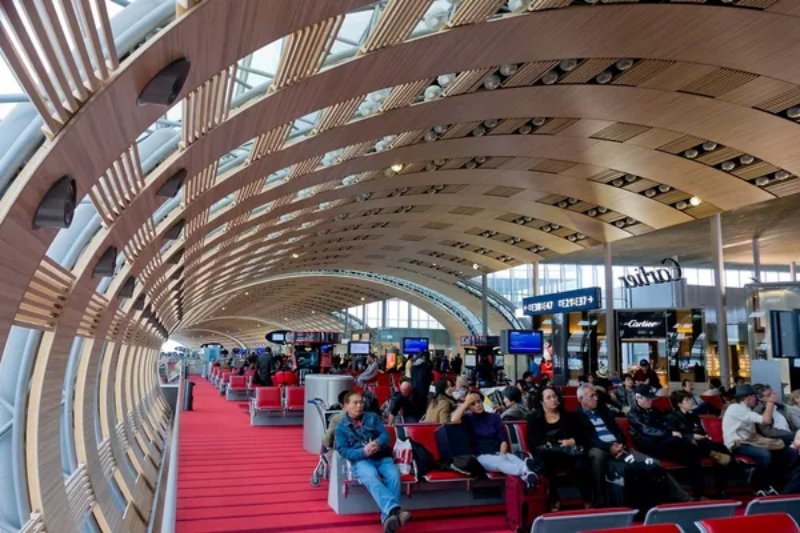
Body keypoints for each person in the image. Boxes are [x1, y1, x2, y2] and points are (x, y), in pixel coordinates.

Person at [574, 384, 691, 508]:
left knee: (653, 464)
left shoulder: (604, 411)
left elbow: (617, 431)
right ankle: (597, 499)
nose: (596, 398)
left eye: (596, 395)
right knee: (596, 456)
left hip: (618, 446)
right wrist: (608, 448)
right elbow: (586, 439)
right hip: (600, 448)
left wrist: (620, 445)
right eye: (591, 396)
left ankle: (683, 498)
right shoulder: (576, 416)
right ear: (580, 399)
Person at [334, 391, 411, 532]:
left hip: (381, 457)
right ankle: (396, 512)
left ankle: (387, 519)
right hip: (362, 460)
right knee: (370, 475)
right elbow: (343, 451)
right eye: (355, 403)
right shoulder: (340, 428)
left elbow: (385, 435)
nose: (360, 405)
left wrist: (377, 443)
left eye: (361, 402)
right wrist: (363, 451)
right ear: (345, 406)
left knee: (394, 475)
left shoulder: (372, 417)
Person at [627, 384, 707, 498]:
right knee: (681, 441)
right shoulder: (633, 414)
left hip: (664, 444)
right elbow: (647, 430)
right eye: (648, 398)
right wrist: (669, 433)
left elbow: (666, 424)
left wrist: (670, 432)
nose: (651, 401)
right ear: (638, 398)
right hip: (649, 446)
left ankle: (699, 493)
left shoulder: (654, 411)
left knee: (692, 454)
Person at [451, 392, 539, 488]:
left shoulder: (494, 417)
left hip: (498, 452)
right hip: (481, 456)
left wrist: (502, 453)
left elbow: (502, 439)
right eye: (473, 404)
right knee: (500, 462)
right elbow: (453, 420)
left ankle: (527, 476)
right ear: (469, 407)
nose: (477, 405)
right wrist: (465, 404)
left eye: (479, 401)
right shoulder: (468, 419)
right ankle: (526, 472)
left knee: (511, 458)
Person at [722, 384, 798, 495]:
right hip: (737, 444)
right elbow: (766, 421)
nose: (756, 399)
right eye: (754, 397)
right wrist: (770, 403)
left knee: (788, 452)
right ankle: (757, 484)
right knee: (765, 455)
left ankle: (785, 485)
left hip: (751, 441)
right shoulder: (735, 408)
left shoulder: (747, 409)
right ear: (748, 397)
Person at [526, 386, 591, 510]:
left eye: (555, 396)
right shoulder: (534, 418)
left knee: (579, 463)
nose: (553, 400)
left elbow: (583, 434)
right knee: (546, 464)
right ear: (542, 401)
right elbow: (533, 442)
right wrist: (550, 444)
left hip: (566, 453)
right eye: (549, 397)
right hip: (547, 454)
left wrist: (572, 440)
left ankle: (587, 499)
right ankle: (554, 499)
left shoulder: (569, 416)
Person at [668, 391, 733, 497]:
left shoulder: (693, 416)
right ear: (679, 404)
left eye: (690, 400)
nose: (690, 402)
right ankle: (699, 493)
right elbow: (676, 435)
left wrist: (703, 435)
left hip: (701, 442)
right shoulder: (672, 417)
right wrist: (692, 436)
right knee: (695, 453)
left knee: (722, 449)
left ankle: (721, 489)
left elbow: (701, 431)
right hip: (686, 445)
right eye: (687, 400)